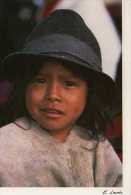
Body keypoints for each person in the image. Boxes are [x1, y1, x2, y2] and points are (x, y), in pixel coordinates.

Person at [0, 9, 122, 187]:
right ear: (24, 86)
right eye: (40, 81)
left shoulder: (98, 149)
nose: (53, 95)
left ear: (89, 92)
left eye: (69, 84)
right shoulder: (5, 146)